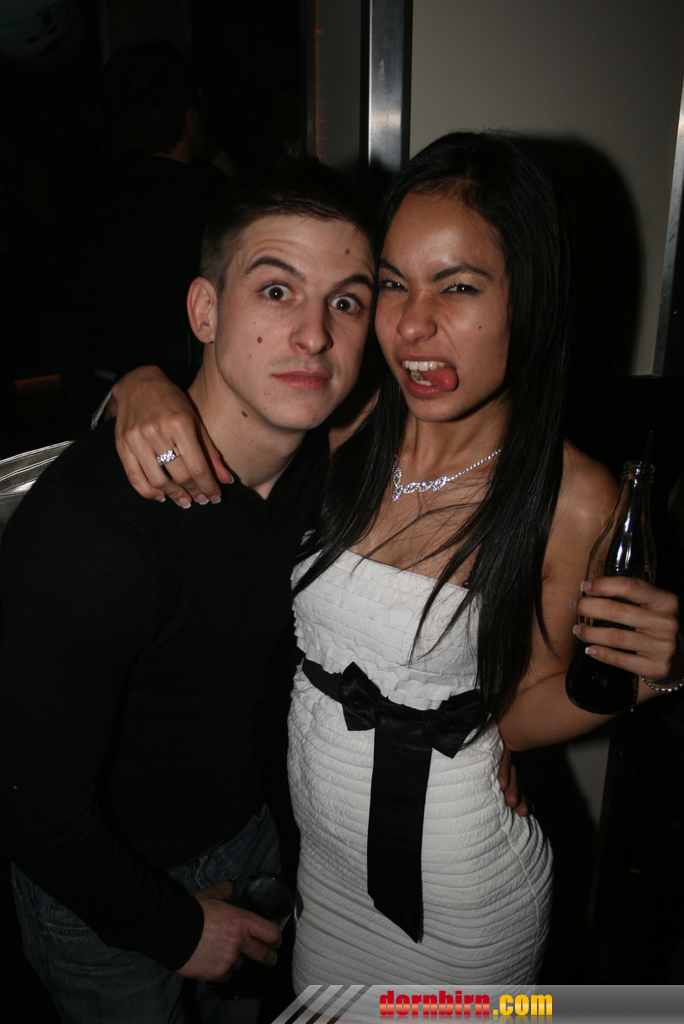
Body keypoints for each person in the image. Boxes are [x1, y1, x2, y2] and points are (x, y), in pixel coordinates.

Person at [106, 132, 680, 986]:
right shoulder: (347, 420)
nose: (412, 325)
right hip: (323, 869)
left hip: (461, 894)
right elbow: (227, 397)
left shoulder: (575, 499)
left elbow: (522, 705)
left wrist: (650, 677)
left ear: (529, 295)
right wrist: (140, 383)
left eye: (459, 286)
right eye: (392, 284)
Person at [0, 158, 376, 1023]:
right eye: (277, 291)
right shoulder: (97, 531)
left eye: (346, 303)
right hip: (101, 889)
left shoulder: (323, 462)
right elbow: (33, 809)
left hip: (247, 838)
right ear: (205, 311)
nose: (314, 336)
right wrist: (173, 929)